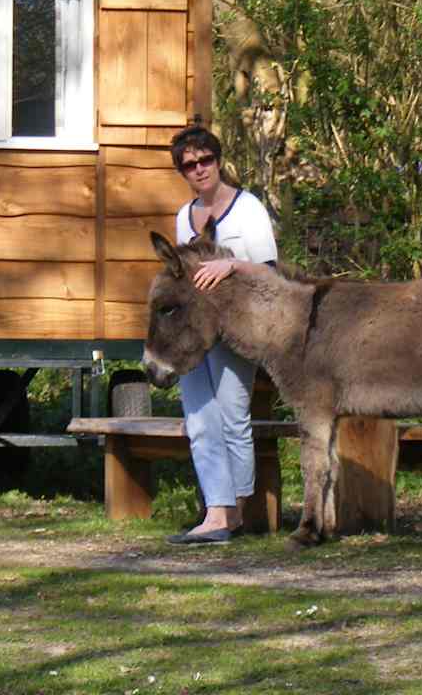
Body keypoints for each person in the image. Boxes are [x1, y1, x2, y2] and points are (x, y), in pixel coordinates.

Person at [165, 125, 278, 545]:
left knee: (233, 418)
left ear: (218, 159)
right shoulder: (184, 215)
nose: (199, 170)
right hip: (194, 334)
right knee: (199, 419)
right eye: (189, 165)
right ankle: (215, 511)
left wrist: (230, 266)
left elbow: (270, 269)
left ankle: (237, 510)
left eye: (205, 160)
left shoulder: (247, 208)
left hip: (237, 328)